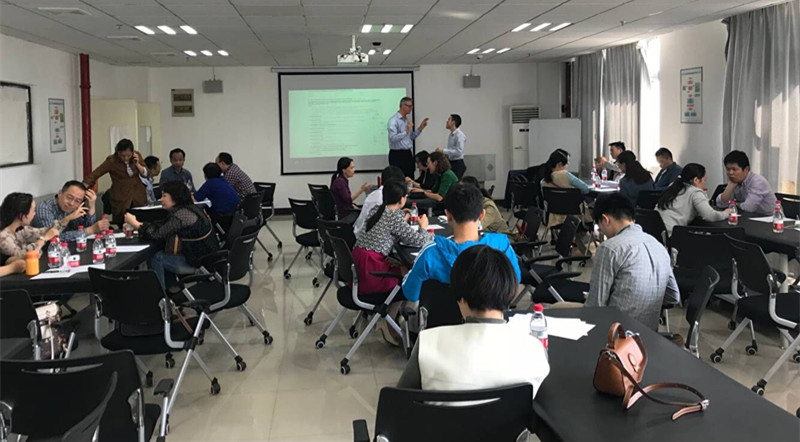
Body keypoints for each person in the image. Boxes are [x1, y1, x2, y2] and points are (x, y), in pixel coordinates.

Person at [397, 245, 549, 396]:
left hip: (440, 412)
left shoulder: (427, 343)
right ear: (510, 290)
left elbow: (400, 399)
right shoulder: (534, 349)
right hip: (511, 413)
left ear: (459, 297)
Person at [402, 183, 521, 303]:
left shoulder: (430, 253)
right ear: (481, 215)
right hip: (491, 313)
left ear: (448, 216)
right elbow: (515, 282)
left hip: (443, 314)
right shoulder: (501, 245)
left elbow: (411, 293)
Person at [586, 193, 679, 331]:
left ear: (605, 219)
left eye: (599, 226)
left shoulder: (609, 248)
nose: (602, 231)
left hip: (613, 333)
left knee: (557, 310)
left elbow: (595, 307)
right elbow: (673, 297)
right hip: (649, 334)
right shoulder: (658, 246)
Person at [124, 181, 219, 291]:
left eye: (164, 196)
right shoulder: (190, 209)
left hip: (199, 263)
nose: (161, 199)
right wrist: (139, 224)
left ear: (175, 197)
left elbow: (156, 234)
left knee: (156, 257)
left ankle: (160, 296)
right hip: (205, 258)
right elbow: (162, 226)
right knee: (162, 252)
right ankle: (173, 288)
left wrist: (135, 224)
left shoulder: (182, 215)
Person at [353, 181, 434, 296]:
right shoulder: (393, 217)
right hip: (372, 271)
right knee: (410, 275)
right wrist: (423, 227)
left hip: (359, 263)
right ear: (402, 199)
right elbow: (421, 241)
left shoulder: (376, 209)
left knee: (401, 266)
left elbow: (389, 223)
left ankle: (391, 307)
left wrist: (401, 215)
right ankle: (397, 306)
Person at [83, 138, 149, 223]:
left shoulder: (137, 156)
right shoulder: (112, 161)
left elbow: (146, 174)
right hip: (121, 197)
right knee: (122, 222)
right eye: (122, 155)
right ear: (118, 153)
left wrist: (137, 164)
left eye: (128, 155)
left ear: (132, 152)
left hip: (138, 196)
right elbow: (96, 173)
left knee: (141, 222)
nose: (125, 158)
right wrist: (82, 187)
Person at [656, 163, 730, 236]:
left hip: (655, 232)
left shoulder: (672, 186)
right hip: (671, 234)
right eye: (704, 180)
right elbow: (710, 216)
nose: (704, 184)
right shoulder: (695, 192)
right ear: (696, 180)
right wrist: (726, 213)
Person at [33, 180, 109, 241]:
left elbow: (84, 229)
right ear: (60, 193)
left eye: (77, 201)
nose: (71, 203)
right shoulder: (44, 208)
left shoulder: (74, 208)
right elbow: (51, 238)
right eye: (69, 197)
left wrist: (91, 206)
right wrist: (90, 230)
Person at [0, 193, 61, 260]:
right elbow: (21, 256)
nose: (34, 214)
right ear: (21, 214)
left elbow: (42, 232)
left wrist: (65, 220)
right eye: (33, 210)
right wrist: (44, 239)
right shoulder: (3, 237)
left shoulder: (21, 229)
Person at [540, 149, 591, 225]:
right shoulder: (565, 175)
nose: (566, 167)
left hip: (553, 219)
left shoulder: (543, 181)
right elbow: (585, 189)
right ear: (560, 164)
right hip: (574, 218)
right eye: (566, 164)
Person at [715, 150, 774, 216]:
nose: (730, 173)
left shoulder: (758, 182)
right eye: (728, 169)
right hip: (748, 217)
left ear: (746, 169)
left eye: (734, 169)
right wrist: (730, 187)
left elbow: (749, 208)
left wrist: (735, 204)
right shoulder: (735, 182)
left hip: (769, 219)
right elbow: (720, 204)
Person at [353, 166, 405, 236]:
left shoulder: (374, 194)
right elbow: (393, 226)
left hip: (360, 234)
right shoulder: (385, 197)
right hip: (369, 236)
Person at [388, 97, 429, 178]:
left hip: (407, 153)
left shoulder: (406, 120)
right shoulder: (393, 121)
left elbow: (410, 138)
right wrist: (406, 131)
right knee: (398, 179)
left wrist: (420, 128)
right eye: (409, 106)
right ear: (403, 106)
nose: (411, 108)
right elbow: (392, 138)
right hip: (397, 154)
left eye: (411, 106)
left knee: (410, 177)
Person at [437, 114, 466, 179]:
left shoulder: (460, 135)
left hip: (457, 164)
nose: (447, 121)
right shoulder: (451, 135)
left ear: (453, 122)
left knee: (454, 183)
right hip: (451, 162)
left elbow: (459, 152)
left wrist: (443, 151)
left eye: (449, 119)